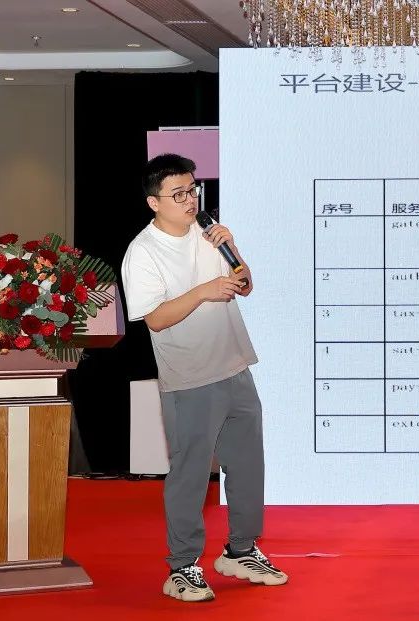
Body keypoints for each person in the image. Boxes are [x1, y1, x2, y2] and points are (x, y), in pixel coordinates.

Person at [121, 153, 288, 602]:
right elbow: (155, 319)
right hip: (189, 377)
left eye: (192, 190)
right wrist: (202, 292)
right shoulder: (143, 251)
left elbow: (244, 285)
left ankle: (241, 550)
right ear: (154, 202)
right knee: (191, 474)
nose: (189, 200)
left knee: (248, 465)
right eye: (178, 194)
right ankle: (182, 567)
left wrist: (234, 251)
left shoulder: (208, 231)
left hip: (235, 365)